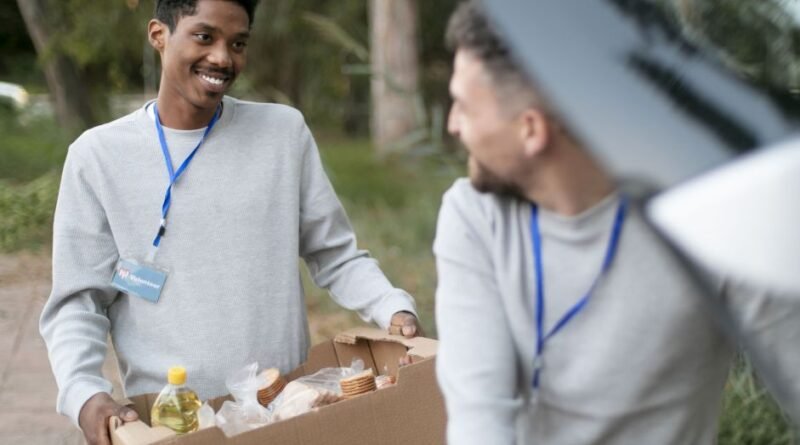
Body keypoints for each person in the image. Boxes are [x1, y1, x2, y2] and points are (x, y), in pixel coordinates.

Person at [39, 1, 421, 443]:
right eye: (204, 36)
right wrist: (84, 394)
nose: (222, 58)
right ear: (159, 34)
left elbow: (334, 253)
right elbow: (78, 302)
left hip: (285, 413)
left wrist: (393, 305)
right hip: (175, 424)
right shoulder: (97, 157)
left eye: (237, 43)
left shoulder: (283, 134)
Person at [433, 2, 733, 444]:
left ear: (531, 130)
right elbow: (479, 419)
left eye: (463, 106)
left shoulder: (709, 214)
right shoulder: (473, 215)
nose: (452, 125)